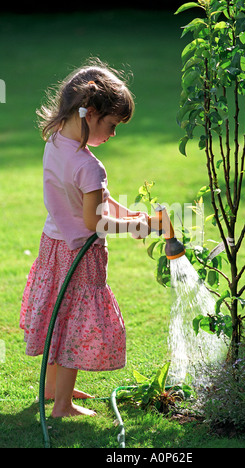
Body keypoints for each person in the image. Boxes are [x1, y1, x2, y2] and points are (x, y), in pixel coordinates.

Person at [19, 58, 150, 418]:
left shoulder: (56, 142)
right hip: (81, 254)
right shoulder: (91, 166)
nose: (112, 134)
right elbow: (95, 221)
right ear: (90, 113)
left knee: (57, 315)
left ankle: (50, 387)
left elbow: (98, 202)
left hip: (53, 245)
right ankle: (62, 405)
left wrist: (134, 215)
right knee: (75, 324)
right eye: (111, 124)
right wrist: (139, 227)